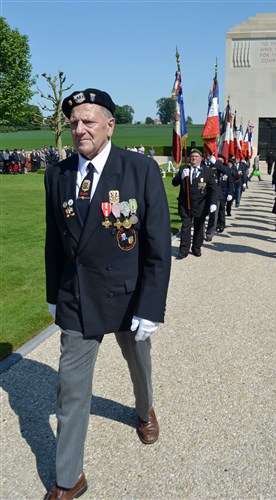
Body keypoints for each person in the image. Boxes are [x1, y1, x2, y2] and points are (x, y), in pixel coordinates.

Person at [44, 88, 171, 499]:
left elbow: (155, 244)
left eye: (89, 121)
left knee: (139, 367)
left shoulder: (139, 170)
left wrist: (151, 306)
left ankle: (143, 409)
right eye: (74, 122)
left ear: (110, 125)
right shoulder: (58, 174)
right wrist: (53, 293)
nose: (80, 130)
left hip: (127, 296)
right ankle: (69, 478)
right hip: (78, 297)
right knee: (71, 388)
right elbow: (53, 243)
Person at [172, 148, 217, 258]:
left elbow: (213, 189)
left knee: (199, 227)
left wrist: (213, 203)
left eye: (196, 156)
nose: (194, 158)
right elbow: (174, 183)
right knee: (185, 227)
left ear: (201, 158)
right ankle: (184, 249)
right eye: (192, 156)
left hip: (201, 205)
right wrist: (181, 176)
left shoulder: (207, 171)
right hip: (185, 204)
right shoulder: (184, 168)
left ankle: (196, 247)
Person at [205, 155, 234, 240]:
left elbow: (227, 172)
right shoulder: (205, 165)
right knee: (202, 215)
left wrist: (230, 193)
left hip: (217, 194)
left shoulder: (221, 167)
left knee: (215, 215)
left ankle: (209, 233)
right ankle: (200, 233)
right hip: (204, 194)